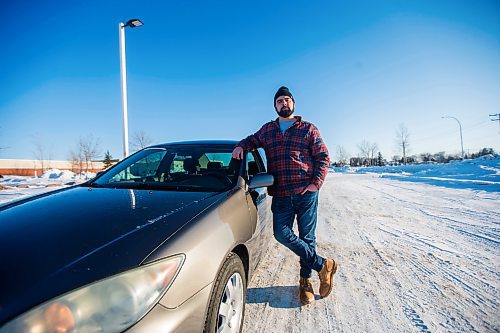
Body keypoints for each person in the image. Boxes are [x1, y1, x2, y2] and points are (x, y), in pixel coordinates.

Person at [232, 86, 337, 305]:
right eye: (280, 101)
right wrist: (241, 145)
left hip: (306, 193)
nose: (284, 103)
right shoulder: (268, 130)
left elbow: (323, 157)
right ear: (275, 106)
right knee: (281, 233)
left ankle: (305, 282)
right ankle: (323, 265)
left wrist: (315, 184)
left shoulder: (308, 128)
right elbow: (251, 140)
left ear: (294, 104)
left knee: (307, 238)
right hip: (280, 194)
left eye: (287, 100)